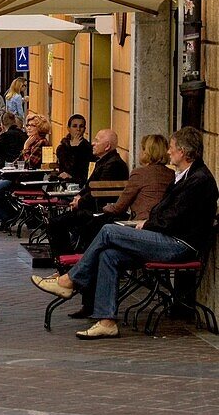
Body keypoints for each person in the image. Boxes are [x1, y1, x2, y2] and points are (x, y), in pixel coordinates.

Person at [32, 127, 219, 339]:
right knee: (109, 255)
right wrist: (149, 222)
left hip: (179, 245)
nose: (168, 152)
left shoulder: (198, 180)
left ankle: (69, 280)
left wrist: (147, 225)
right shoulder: (183, 176)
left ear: (184, 152)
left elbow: (174, 218)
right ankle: (106, 321)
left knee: (109, 231)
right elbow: (162, 211)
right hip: (168, 238)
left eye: (172, 148)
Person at [65, 134, 174, 320]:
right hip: (159, 232)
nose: (141, 152)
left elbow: (120, 206)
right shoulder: (171, 175)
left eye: (143, 149)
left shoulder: (140, 173)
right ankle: (103, 315)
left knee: (101, 231)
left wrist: (107, 208)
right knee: (107, 254)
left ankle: (73, 281)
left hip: (145, 232)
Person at [45, 129, 130, 259]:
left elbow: (100, 192)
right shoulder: (103, 161)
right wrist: (78, 197)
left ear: (107, 146)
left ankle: (66, 264)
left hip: (100, 212)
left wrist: (80, 202)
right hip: (92, 208)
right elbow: (89, 187)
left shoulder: (113, 164)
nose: (93, 144)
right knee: (56, 222)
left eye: (97, 140)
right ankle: (67, 262)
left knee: (56, 224)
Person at [0, 113, 51, 227]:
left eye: (32, 126)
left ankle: (8, 216)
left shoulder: (41, 143)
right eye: (27, 125)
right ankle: (7, 216)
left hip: (27, 181)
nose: (28, 127)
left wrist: (25, 148)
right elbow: (18, 161)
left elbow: (30, 164)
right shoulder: (31, 142)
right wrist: (10, 166)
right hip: (19, 177)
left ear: (39, 128)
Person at [55, 114, 92, 183]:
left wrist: (75, 148)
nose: (78, 129)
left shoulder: (88, 148)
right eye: (74, 126)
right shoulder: (62, 146)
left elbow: (78, 170)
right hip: (63, 182)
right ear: (69, 129)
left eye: (81, 126)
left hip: (79, 183)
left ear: (84, 129)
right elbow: (64, 166)